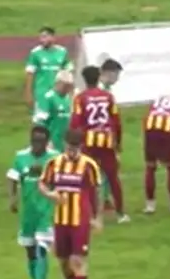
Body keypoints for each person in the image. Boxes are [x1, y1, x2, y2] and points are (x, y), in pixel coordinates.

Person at [39, 128, 104, 279]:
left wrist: (97, 217)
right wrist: (50, 194)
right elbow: (42, 183)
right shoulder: (54, 163)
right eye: (69, 147)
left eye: (76, 148)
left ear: (81, 147)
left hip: (80, 220)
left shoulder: (89, 165)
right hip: (60, 220)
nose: (72, 151)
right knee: (63, 261)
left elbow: (97, 191)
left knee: (78, 259)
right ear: (65, 145)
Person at [68, 65, 128, 222]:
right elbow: (116, 121)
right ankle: (121, 213)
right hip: (106, 141)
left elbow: (75, 122)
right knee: (113, 177)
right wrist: (118, 141)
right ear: (99, 77)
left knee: (89, 178)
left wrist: (73, 143)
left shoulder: (80, 98)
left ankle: (93, 214)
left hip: (89, 142)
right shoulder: (108, 96)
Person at [8, 123, 59, 279]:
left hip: (47, 210)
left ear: (47, 142)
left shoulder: (55, 158)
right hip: (28, 211)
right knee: (30, 250)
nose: (37, 145)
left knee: (42, 247)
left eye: (40, 141)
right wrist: (13, 198)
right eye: (34, 141)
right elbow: (13, 177)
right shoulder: (21, 157)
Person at [24, 26, 72, 115]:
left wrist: (70, 93)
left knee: (59, 118)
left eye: (44, 37)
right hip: (42, 93)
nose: (42, 40)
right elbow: (30, 74)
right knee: (42, 120)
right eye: (40, 37)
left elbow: (68, 73)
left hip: (58, 93)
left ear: (53, 37)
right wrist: (29, 94)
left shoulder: (62, 52)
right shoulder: (35, 53)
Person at [97, 58, 124, 210]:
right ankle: (101, 199)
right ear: (109, 73)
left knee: (109, 168)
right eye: (116, 75)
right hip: (100, 136)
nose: (117, 78)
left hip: (105, 135)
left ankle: (105, 198)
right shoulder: (102, 91)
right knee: (106, 168)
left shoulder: (107, 89)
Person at [32, 69, 75, 137]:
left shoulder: (68, 98)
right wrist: (45, 141)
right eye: (66, 86)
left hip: (64, 141)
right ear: (58, 83)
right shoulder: (48, 98)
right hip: (51, 141)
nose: (68, 89)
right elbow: (40, 123)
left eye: (69, 86)